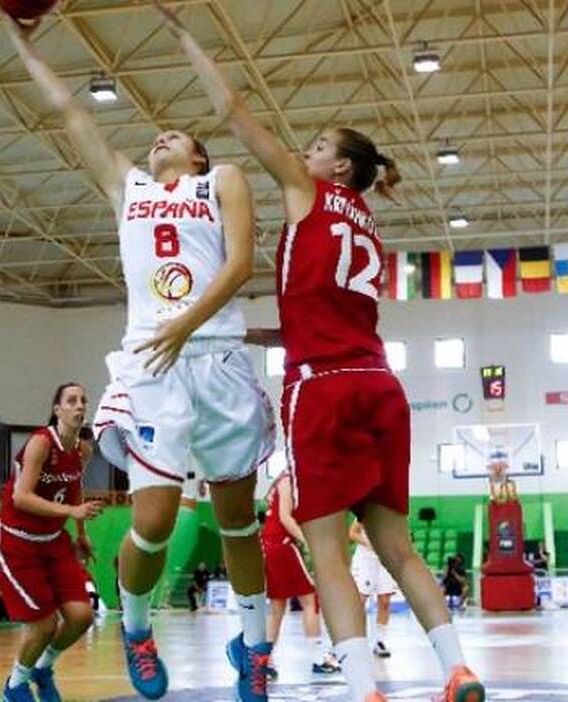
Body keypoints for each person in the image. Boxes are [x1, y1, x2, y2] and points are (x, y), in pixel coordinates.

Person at [154, 5, 485, 700]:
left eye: (315, 147)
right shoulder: (367, 223)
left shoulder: (308, 193)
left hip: (323, 388)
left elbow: (235, 111)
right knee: (399, 549)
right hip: (379, 384)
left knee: (328, 553)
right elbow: (330, 314)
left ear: (339, 166)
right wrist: (256, 335)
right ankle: (458, 668)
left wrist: (183, 32)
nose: (303, 154)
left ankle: (364, 687)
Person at [4, 17, 276, 702]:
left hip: (215, 358)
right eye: (157, 136)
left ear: (199, 158)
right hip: (154, 366)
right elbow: (70, 112)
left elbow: (242, 263)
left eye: (176, 136)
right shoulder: (129, 189)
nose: (161, 138)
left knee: (238, 522)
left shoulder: (223, 182)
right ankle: (136, 629)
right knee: (152, 523)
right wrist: (24, 45)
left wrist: (187, 323)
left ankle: (254, 648)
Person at [0, 383, 103, 702]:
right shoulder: (41, 443)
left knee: (81, 617)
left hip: (54, 541)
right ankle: (15, 686)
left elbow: (74, 490)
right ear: (57, 410)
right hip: (18, 542)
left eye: (83, 401)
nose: (80, 406)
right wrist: (71, 512)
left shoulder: (83, 450)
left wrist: (81, 533)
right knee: (44, 625)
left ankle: (42, 669)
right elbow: (22, 497)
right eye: (72, 401)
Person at [261, 472, 339, 677]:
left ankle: (265, 660)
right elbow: (285, 517)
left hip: (271, 544)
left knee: (277, 607)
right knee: (310, 600)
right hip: (282, 544)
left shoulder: (286, 481)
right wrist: (308, 542)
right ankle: (317, 658)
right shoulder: (288, 480)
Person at [348, 520, 397, 659]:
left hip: (385, 559)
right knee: (360, 601)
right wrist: (370, 544)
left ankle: (379, 642)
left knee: (385, 601)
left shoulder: (394, 513)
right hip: (365, 560)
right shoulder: (366, 510)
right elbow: (352, 533)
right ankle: (353, 640)